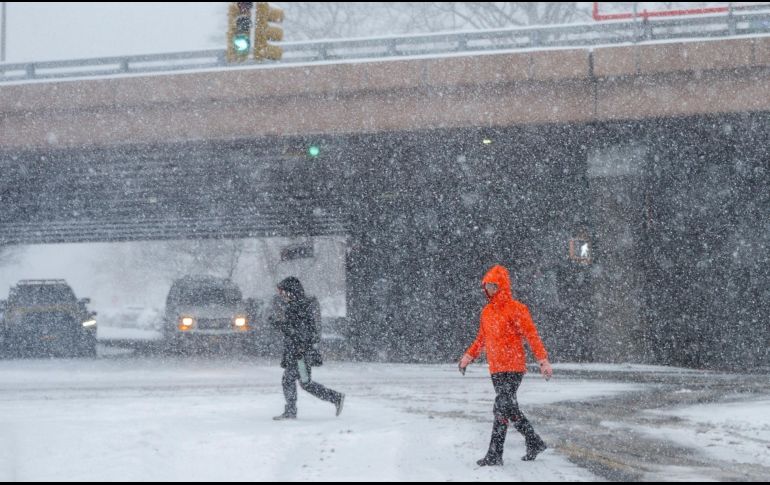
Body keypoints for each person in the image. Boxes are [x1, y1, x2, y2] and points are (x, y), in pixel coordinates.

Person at [458, 265, 553, 466]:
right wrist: (468, 357)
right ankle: (534, 441)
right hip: (496, 369)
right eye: (487, 286)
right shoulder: (486, 313)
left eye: (493, 285)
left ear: (502, 286)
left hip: (514, 367)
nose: (490, 289)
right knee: (509, 408)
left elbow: (532, 336)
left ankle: (495, 454)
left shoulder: (517, 309)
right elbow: (481, 340)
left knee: (501, 407)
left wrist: (542, 361)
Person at [270, 276, 345, 420]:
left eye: (283, 292)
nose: (282, 296)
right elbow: (297, 330)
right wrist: (280, 325)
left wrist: (280, 326)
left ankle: (291, 411)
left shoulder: (298, 307)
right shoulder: (299, 306)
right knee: (305, 383)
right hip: (300, 352)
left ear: (291, 292)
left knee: (289, 380)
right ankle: (335, 398)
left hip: (300, 354)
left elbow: (300, 332)